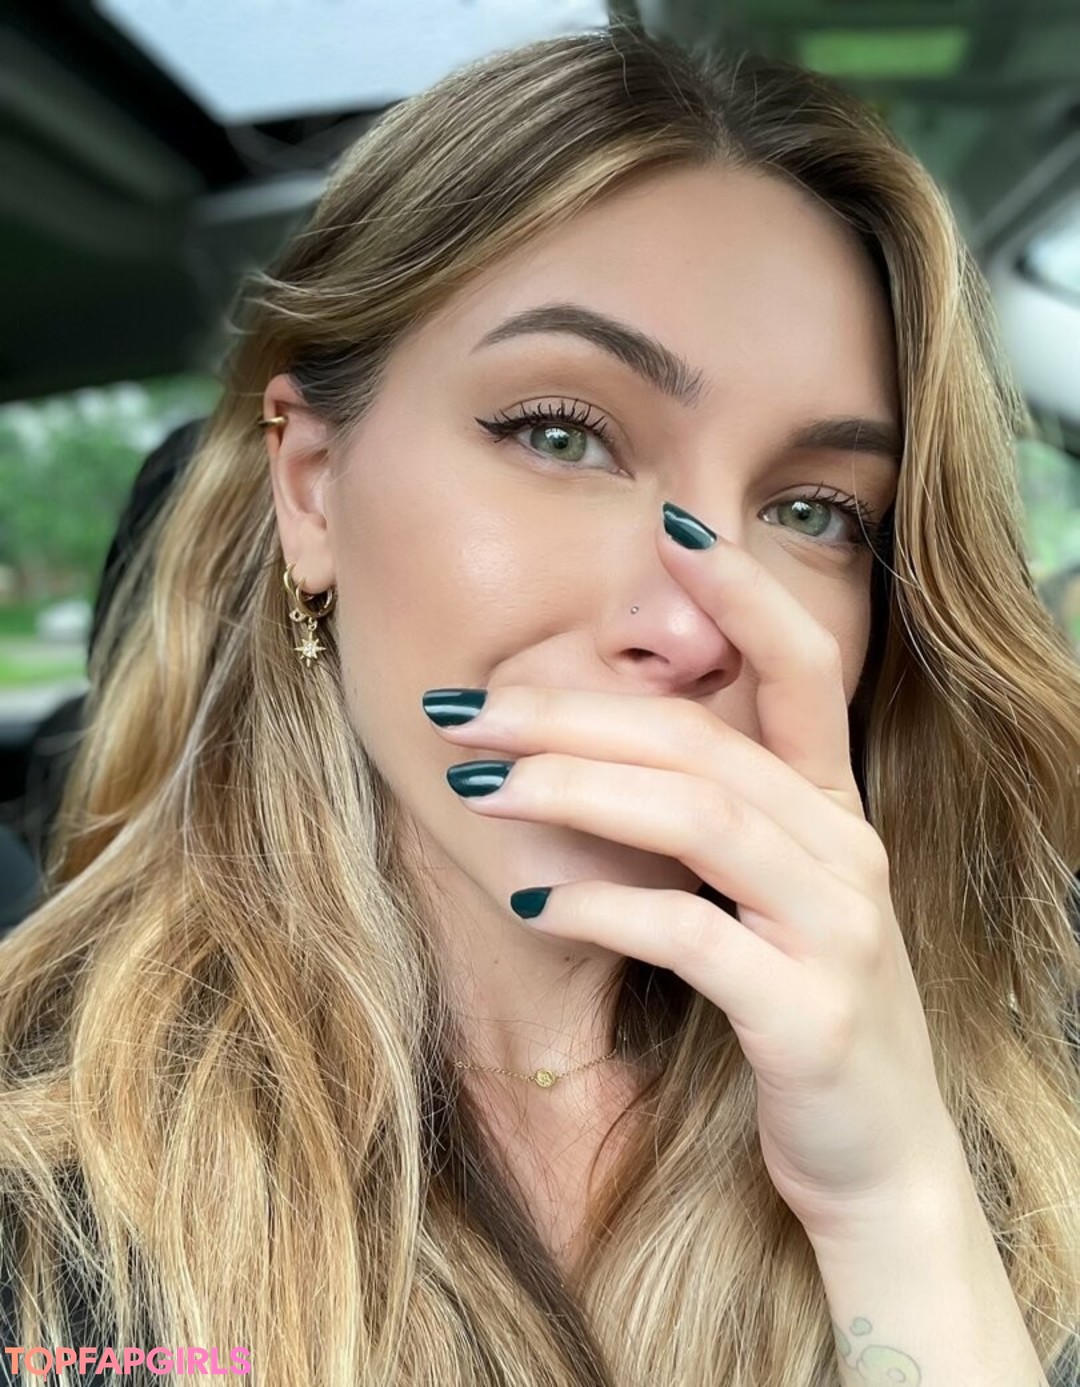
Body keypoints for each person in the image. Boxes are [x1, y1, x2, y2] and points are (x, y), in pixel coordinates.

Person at [0, 24, 1077, 1387]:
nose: (692, 629)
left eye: (815, 512)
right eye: (559, 434)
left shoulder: (1022, 1081)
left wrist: (896, 1204)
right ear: (313, 487)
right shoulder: (41, 1186)